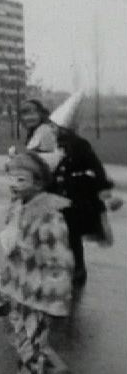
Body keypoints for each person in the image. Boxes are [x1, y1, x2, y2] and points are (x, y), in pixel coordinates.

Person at [0, 151, 79, 374]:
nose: (14, 184)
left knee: (27, 346)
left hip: (38, 293)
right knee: (22, 337)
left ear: (39, 183)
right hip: (19, 285)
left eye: (21, 178)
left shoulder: (48, 214)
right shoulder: (19, 205)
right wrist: (1, 286)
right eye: (11, 178)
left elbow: (59, 259)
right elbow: (12, 250)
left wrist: (56, 298)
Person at [47, 93, 116, 287]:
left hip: (75, 199)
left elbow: (95, 168)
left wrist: (96, 185)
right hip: (60, 197)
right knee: (62, 234)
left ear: (65, 128)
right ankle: (68, 265)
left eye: (56, 127)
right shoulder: (59, 145)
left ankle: (79, 268)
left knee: (73, 234)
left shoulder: (79, 145)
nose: (53, 130)